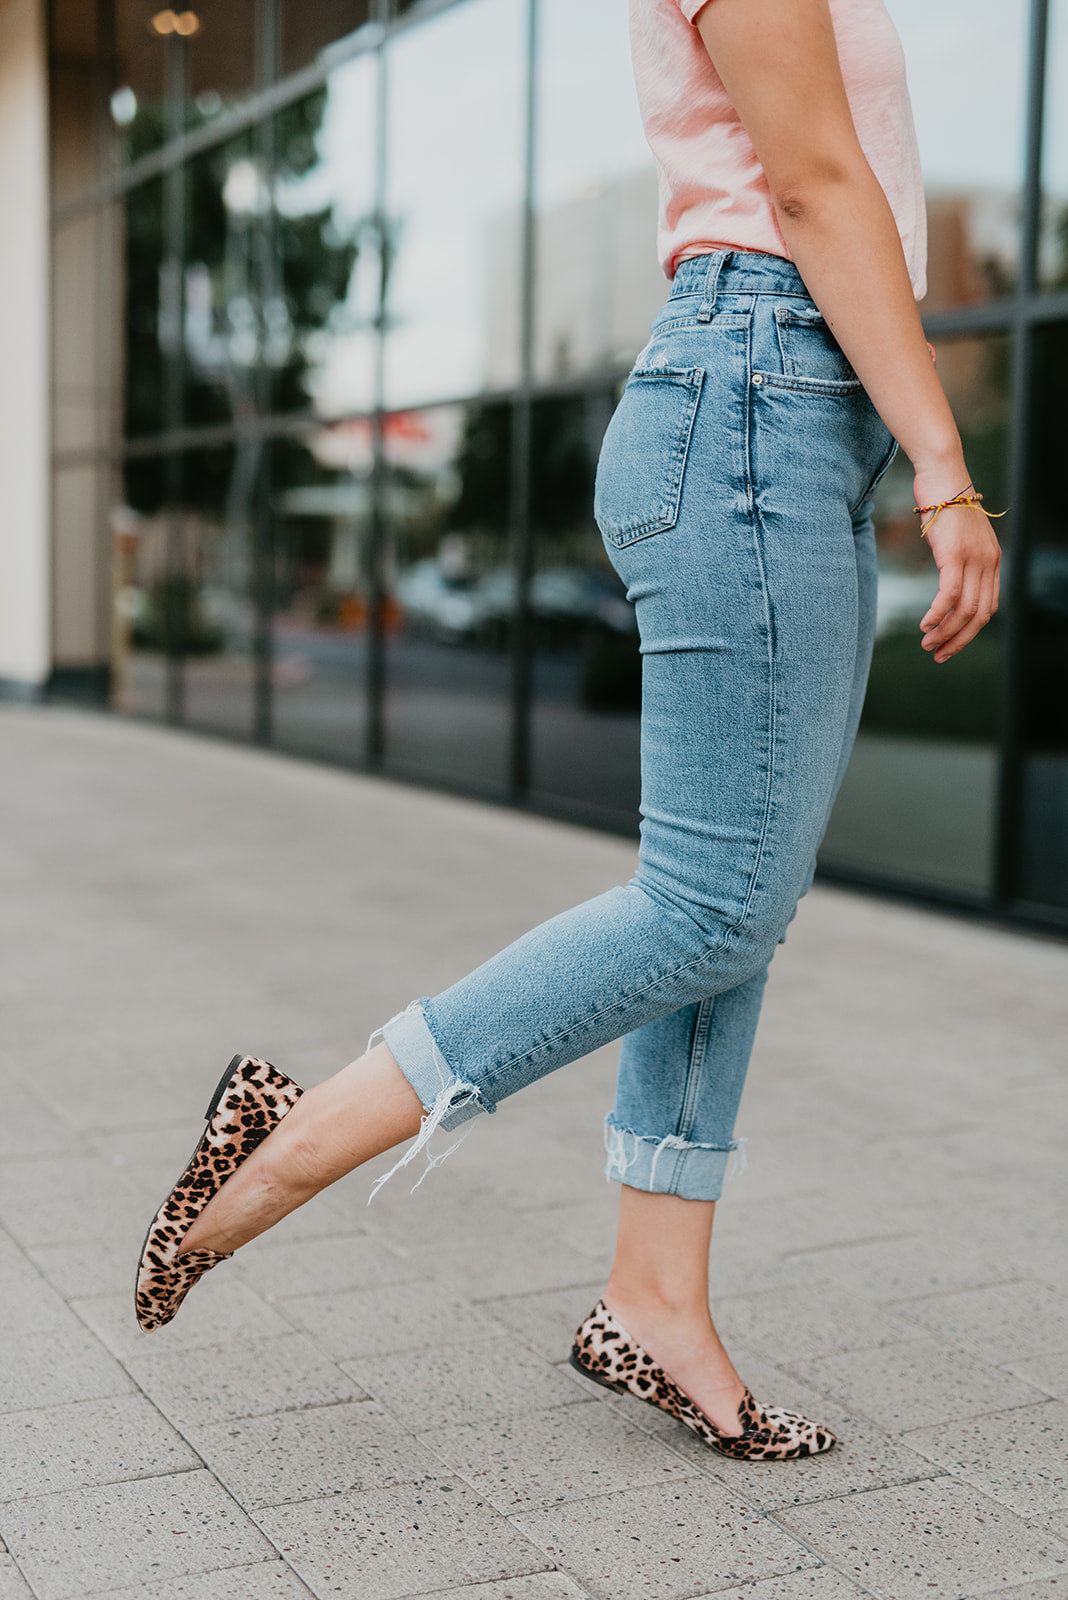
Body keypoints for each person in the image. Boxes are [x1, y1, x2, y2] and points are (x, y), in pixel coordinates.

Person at [135, 0, 1001, 1461]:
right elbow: (812, 182)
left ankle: (654, 1298)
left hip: (786, 406)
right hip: (758, 396)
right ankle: (289, 1142)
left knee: (735, 904)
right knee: (711, 900)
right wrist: (945, 462)